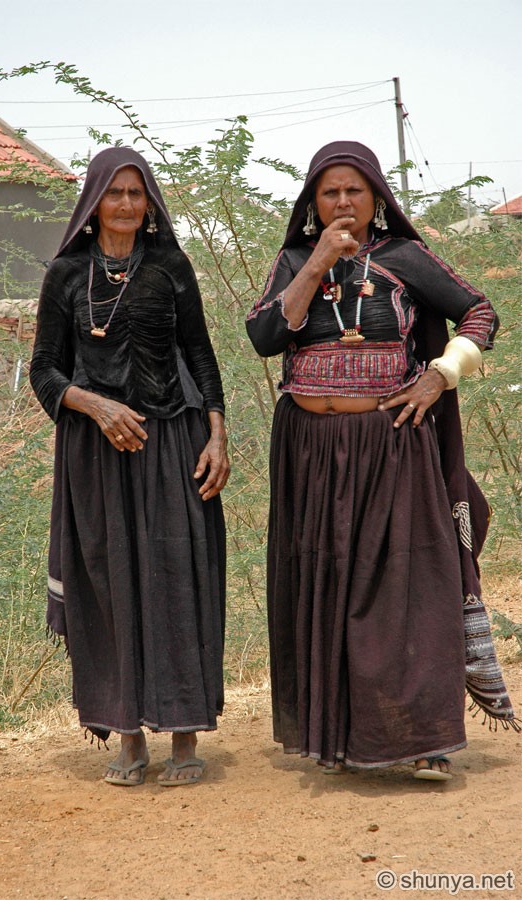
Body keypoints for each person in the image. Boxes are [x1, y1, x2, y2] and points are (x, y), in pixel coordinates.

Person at [246, 140, 518, 781]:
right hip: (309, 449)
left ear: (375, 198)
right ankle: (340, 738)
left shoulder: (403, 258)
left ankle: (423, 740)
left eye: (354, 191)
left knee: (403, 587)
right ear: (312, 203)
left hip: (391, 441)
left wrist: (441, 376)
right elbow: (264, 338)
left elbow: (482, 311)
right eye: (329, 192)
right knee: (324, 582)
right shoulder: (293, 261)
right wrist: (315, 263)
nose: (342, 202)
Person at [31, 146, 229, 787]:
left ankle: (185, 736)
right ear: (93, 203)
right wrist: (93, 405)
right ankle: (127, 736)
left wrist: (217, 434)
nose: (124, 205)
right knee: (110, 584)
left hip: (172, 442)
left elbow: (200, 356)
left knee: (177, 578)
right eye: (113, 193)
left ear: (149, 205)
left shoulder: (171, 266)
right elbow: (44, 371)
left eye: (135, 194)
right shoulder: (65, 274)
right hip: (95, 453)